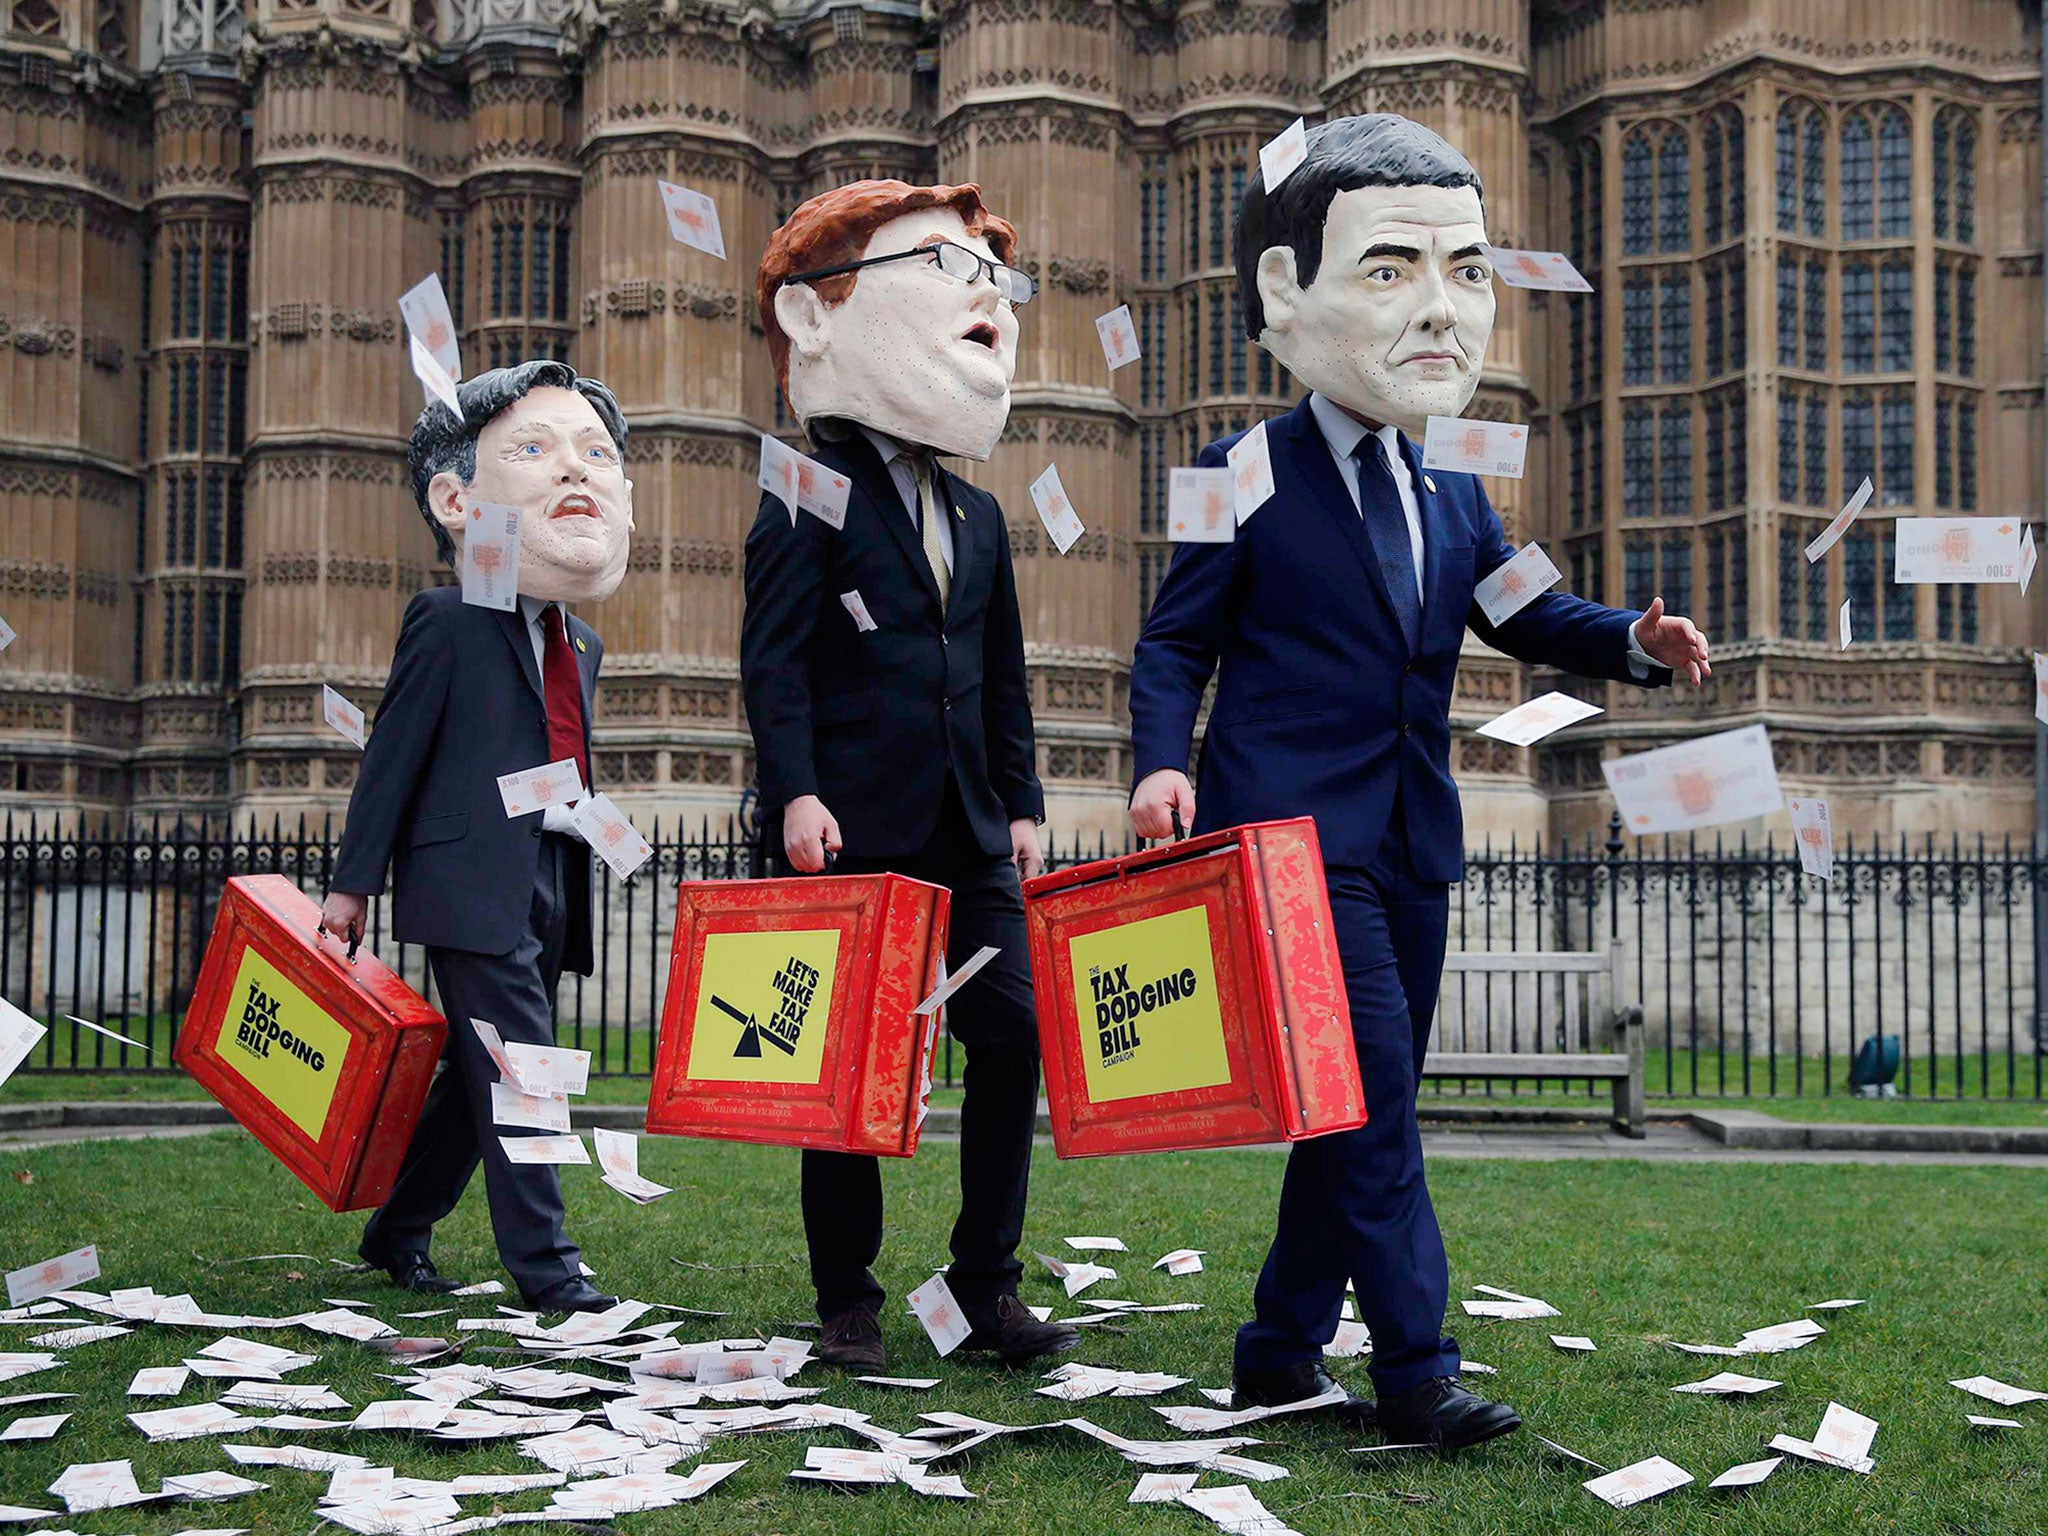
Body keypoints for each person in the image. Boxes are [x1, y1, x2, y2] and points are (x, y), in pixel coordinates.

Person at [1127, 115, 1713, 1448]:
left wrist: (1632, 638)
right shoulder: (1235, 471)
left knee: (1345, 1102)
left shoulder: (1449, 484)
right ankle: (1414, 1369)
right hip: (1286, 835)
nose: (1440, 310)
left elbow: (1524, 610)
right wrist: (1163, 767)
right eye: (1393, 270)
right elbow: (1174, 641)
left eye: (1464, 271)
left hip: (1411, 838)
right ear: (1290, 292)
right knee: (1378, 1094)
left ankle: (1278, 1350)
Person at [741, 180, 1078, 1369]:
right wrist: (794, 791)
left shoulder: (980, 517)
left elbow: (1001, 677)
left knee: (1013, 1037)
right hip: (848, 822)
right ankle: (849, 1302)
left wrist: (1023, 800)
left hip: (965, 823)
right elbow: (772, 661)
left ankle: (984, 1283)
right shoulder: (805, 485)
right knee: (849, 1071)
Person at [320, 361, 635, 1315]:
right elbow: (393, 758)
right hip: (470, 881)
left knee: (477, 1077)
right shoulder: (447, 620)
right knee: (524, 1069)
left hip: (549, 873)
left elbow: (562, 767)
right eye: (538, 451)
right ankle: (549, 1269)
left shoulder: (580, 645)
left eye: (594, 454)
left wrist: (607, 832)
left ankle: (398, 1230)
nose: (575, 474)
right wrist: (350, 886)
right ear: (459, 501)